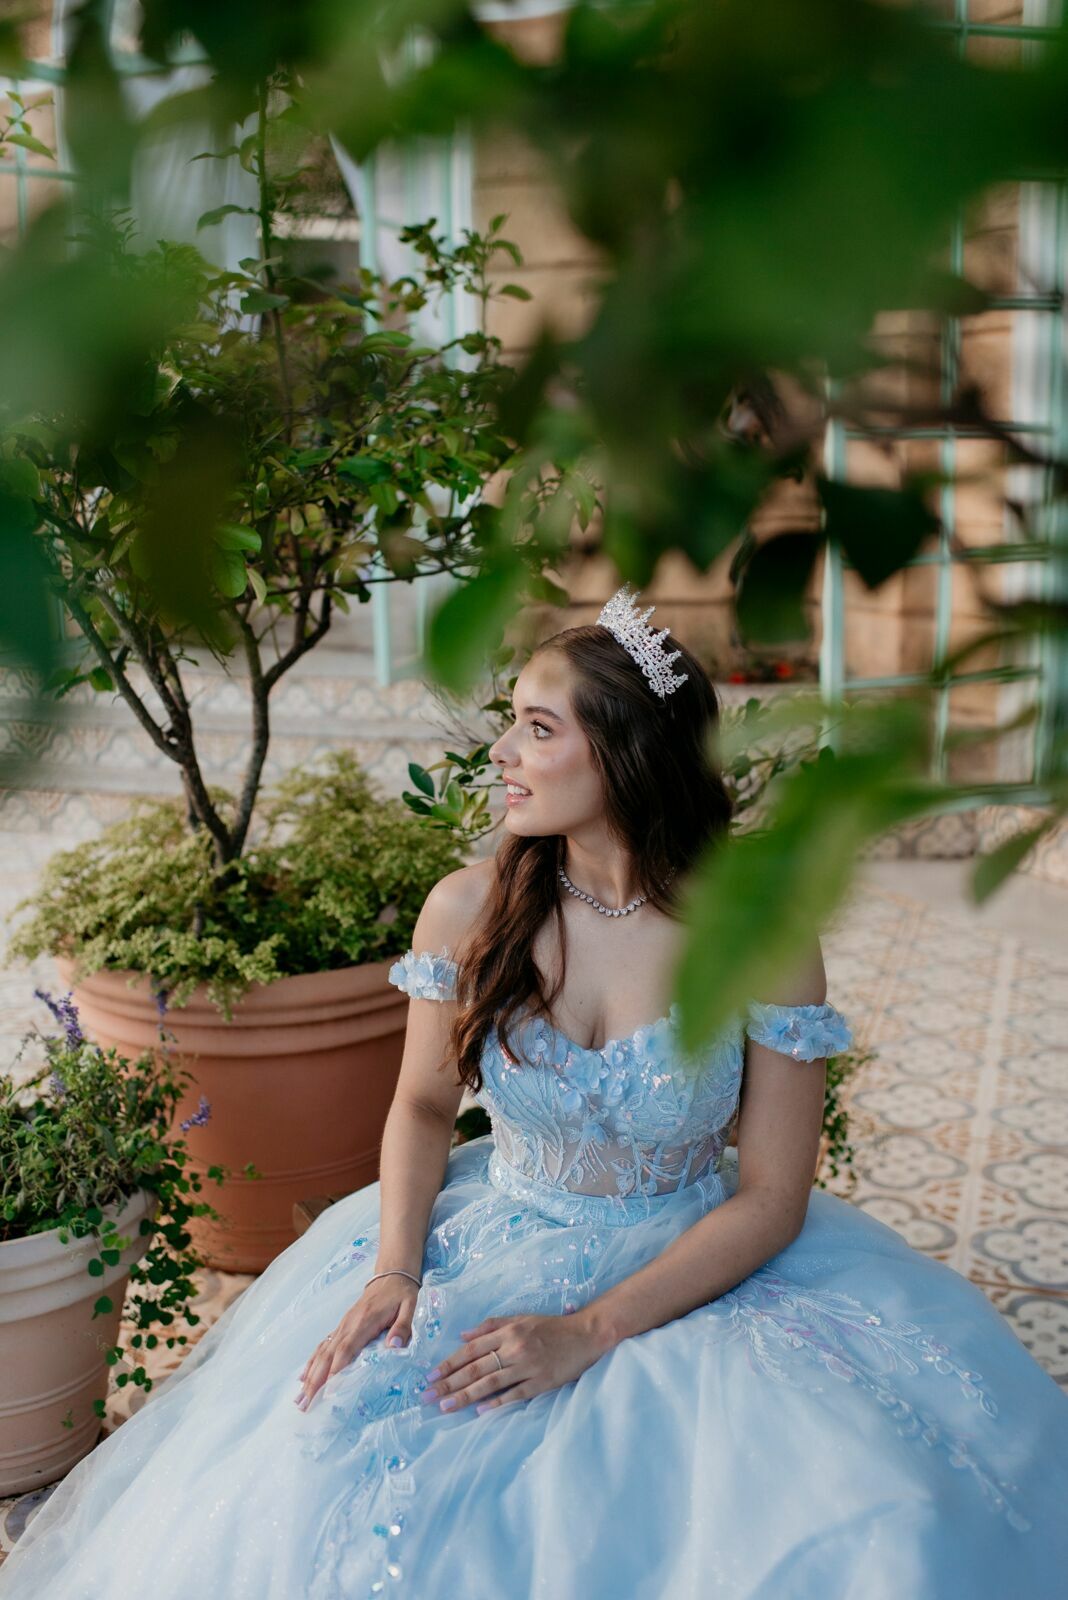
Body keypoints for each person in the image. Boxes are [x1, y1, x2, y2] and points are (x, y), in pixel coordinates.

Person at [2, 585, 1066, 1600]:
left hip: (685, 1261)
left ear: (628, 753)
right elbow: (423, 1105)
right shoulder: (469, 907)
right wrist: (393, 1266)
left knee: (875, 1506)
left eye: (538, 728)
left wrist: (591, 1331)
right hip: (490, 1228)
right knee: (336, 1461)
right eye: (511, 723)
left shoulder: (762, 937)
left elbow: (772, 1197)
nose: (503, 754)